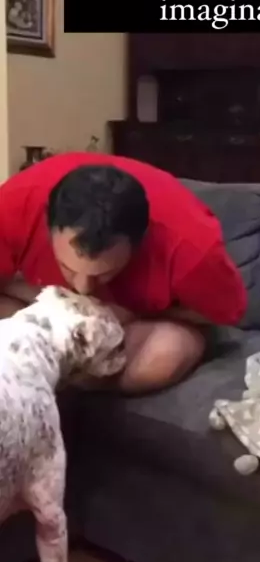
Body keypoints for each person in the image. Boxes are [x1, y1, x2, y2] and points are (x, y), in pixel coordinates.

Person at [0, 152, 247, 393]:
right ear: (48, 226)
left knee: (163, 356)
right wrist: (46, 296)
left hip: (137, 323)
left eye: (103, 273)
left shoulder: (192, 248)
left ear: (139, 242)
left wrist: (132, 311)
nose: (84, 288)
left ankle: (57, 375)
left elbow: (221, 314)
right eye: (67, 267)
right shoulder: (13, 207)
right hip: (40, 302)